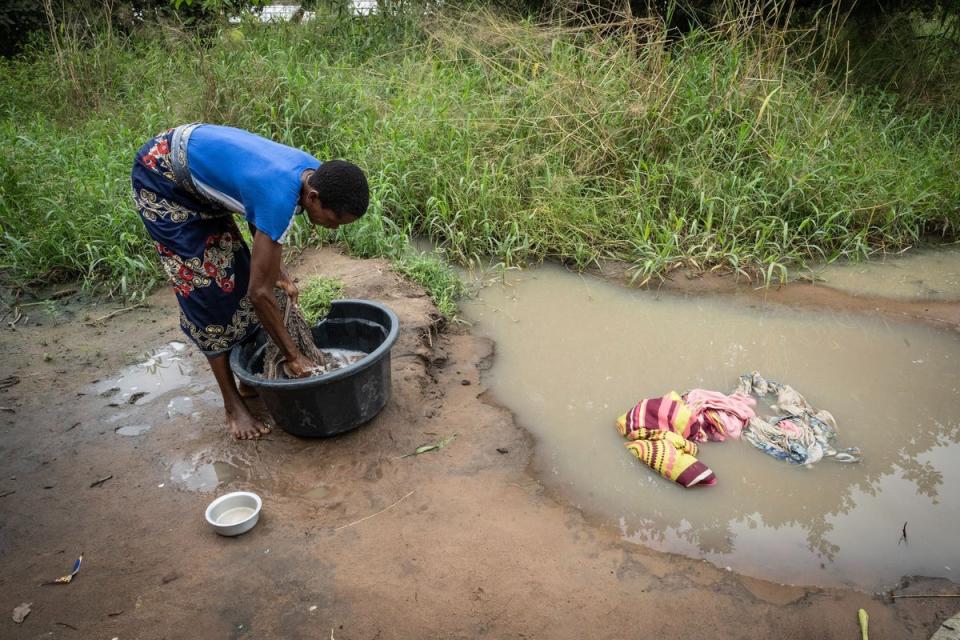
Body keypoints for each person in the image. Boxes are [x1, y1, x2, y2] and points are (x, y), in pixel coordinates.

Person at [131, 123, 369, 440]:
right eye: (335, 220)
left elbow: (257, 207)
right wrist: (294, 357)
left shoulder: (315, 175)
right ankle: (233, 404)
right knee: (207, 294)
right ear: (313, 198)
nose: (335, 228)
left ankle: (247, 380)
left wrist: (277, 270)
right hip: (163, 178)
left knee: (240, 270)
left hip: (198, 172)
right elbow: (259, 294)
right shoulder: (280, 195)